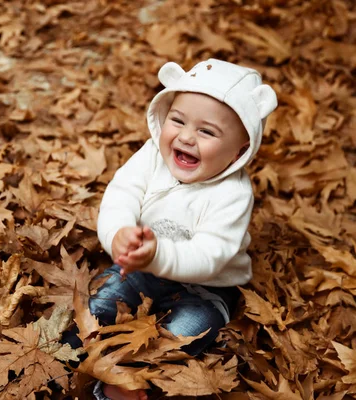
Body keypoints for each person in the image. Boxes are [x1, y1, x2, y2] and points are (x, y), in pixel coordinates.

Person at [90, 59, 278, 400]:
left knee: (189, 329)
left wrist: (158, 255)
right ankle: (73, 351)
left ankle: (133, 378)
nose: (187, 137)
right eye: (177, 121)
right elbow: (121, 194)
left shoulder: (233, 194)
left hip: (206, 286)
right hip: (142, 266)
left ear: (239, 151)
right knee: (102, 300)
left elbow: (209, 256)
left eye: (207, 131)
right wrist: (118, 232)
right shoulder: (151, 155)